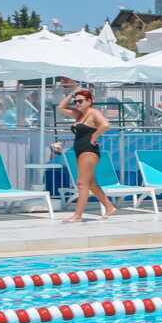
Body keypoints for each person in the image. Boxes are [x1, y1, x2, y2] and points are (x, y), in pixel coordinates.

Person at [59, 87, 115, 222]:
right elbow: (60, 107)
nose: (77, 104)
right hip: (80, 151)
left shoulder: (93, 113)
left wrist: (94, 136)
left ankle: (78, 215)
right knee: (90, 183)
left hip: (89, 150)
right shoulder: (78, 115)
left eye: (80, 101)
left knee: (81, 183)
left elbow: (106, 125)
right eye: (76, 101)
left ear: (89, 101)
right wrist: (73, 93)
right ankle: (109, 207)